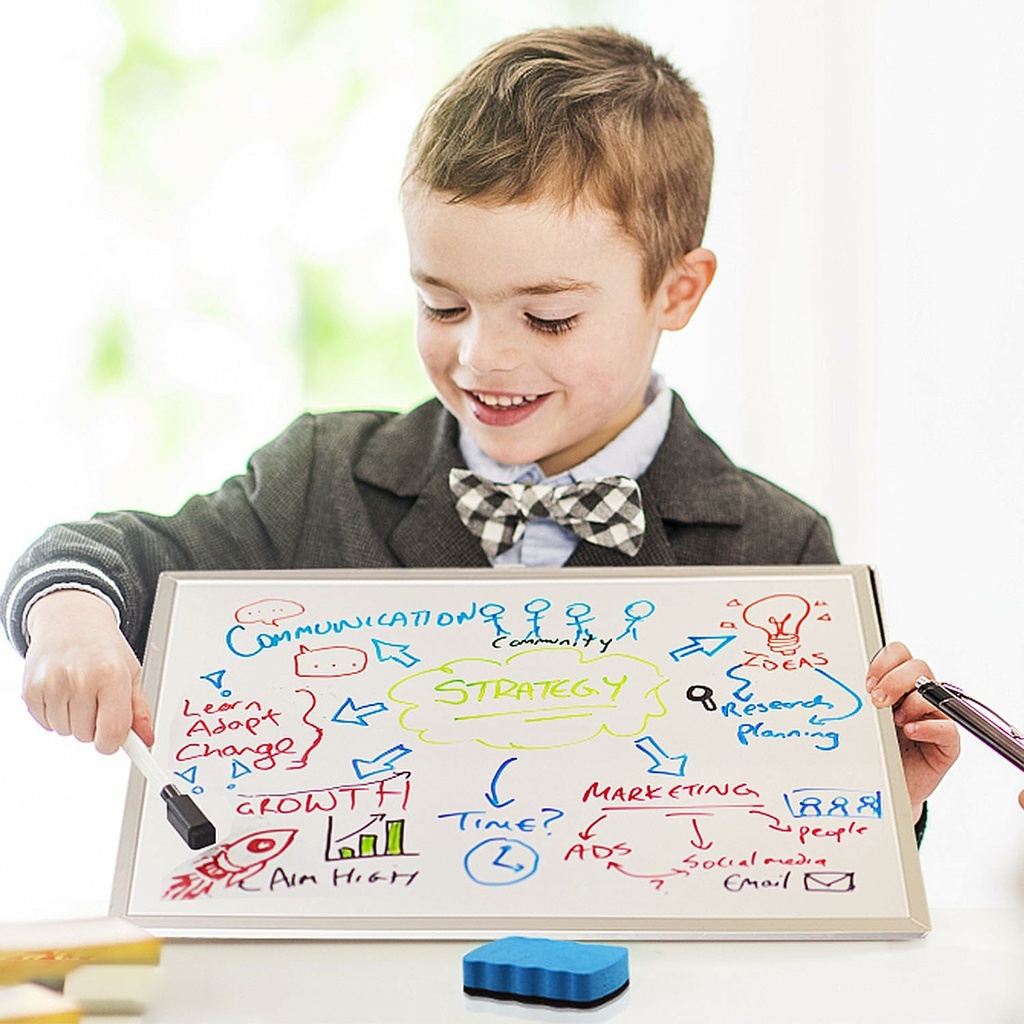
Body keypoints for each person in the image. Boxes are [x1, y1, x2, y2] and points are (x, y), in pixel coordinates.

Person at [1, 26, 957, 835]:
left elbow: (795, 846)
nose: (484, 361)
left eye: (547, 319)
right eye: (443, 304)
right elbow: (95, 551)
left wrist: (885, 802)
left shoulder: (778, 549)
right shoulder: (319, 477)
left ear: (678, 290)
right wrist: (73, 618)